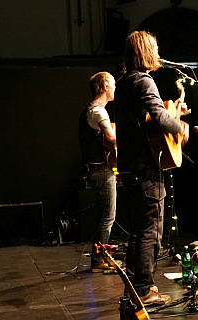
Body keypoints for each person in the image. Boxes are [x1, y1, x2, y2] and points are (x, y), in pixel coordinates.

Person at [114, 30, 189, 306]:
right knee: (150, 231)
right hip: (145, 168)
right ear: (146, 50)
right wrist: (181, 126)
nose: (158, 54)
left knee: (137, 231)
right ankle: (144, 289)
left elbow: (146, 120)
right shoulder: (144, 80)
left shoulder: (124, 82)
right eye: (155, 48)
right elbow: (157, 118)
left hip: (129, 167)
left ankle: (135, 288)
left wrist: (174, 112)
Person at [78, 71, 117, 272]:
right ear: (104, 88)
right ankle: (98, 260)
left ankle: (101, 257)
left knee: (105, 216)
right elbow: (110, 139)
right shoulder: (98, 111)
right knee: (107, 217)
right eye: (112, 84)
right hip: (101, 169)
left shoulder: (92, 110)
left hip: (97, 169)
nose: (115, 87)